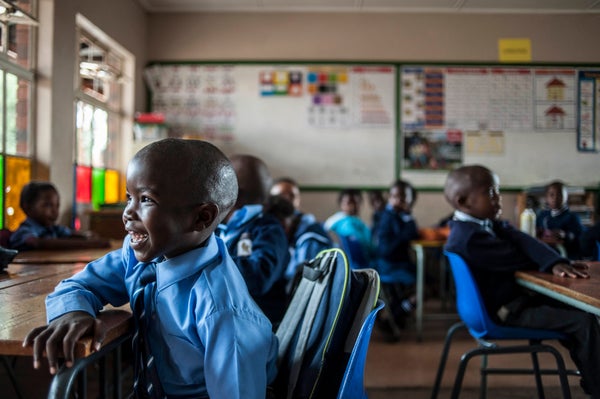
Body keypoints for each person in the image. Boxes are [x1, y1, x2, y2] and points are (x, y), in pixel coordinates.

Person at [23, 139, 278, 399]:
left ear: (202, 217)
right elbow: (78, 284)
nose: (128, 213)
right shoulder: (141, 258)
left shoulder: (223, 312)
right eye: (128, 198)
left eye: (146, 199)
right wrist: (72, 312)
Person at [443, 164, 600, 398]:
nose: (498, 198)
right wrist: (548, 261)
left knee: (579, 313)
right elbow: (518, 255)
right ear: (464, 201)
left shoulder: (480, 226)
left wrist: (554, 261)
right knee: (583, 322)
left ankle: (593, 377)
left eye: (497, 190)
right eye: (491, 192)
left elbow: (519, 237)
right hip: (507, 311)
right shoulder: (468, 239)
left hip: (515, 303)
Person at [217, 154, 290, 327]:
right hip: (229, 320)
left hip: (257, 326)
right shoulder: (220, 227)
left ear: (234, 192)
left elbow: (258, 278)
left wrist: (208, 259)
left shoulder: (268, 229)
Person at [9, 181, 111, 251]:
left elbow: (70, 234)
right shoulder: (24, 231)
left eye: (57, 205)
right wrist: (88, 244)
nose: (54, 211)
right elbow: (37, 243)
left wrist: (87, 236)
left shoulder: (54, 229)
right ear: (27, 207)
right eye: (47, 205)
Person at [270, 177, 332, 286]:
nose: (286, 200)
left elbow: (302, 283)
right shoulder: (269, 226)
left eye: (291, 196)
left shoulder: (310, 237)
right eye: (280, 196)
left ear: (298, 200)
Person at [375, 179, 420, 328]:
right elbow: (409, 235)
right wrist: (408, 221)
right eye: (395, 196)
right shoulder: (388, 217)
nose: (399, 200)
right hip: (389, 265)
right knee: (424, 287)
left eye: (403, 197)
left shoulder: (399, 216)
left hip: (397, 264)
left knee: (425, 281)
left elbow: (411, 234)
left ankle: (397, 313)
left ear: (410, 200)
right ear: (389, 197)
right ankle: (396, 314)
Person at [536, 180, 584, 259]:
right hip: (546, 252)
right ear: (546, 198)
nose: (555, 198)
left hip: (566, 255)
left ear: (566, 197)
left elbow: (580, 238)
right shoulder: (543, 215)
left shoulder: (572, 217)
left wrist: (565, 235)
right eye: (551, 195)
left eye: (560, 195)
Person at [323, 188, 372, 265]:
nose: (353, 206)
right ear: (341, 204)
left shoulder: (362, 225)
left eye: (356, 202)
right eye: (349, 202)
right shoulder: (336, 223)